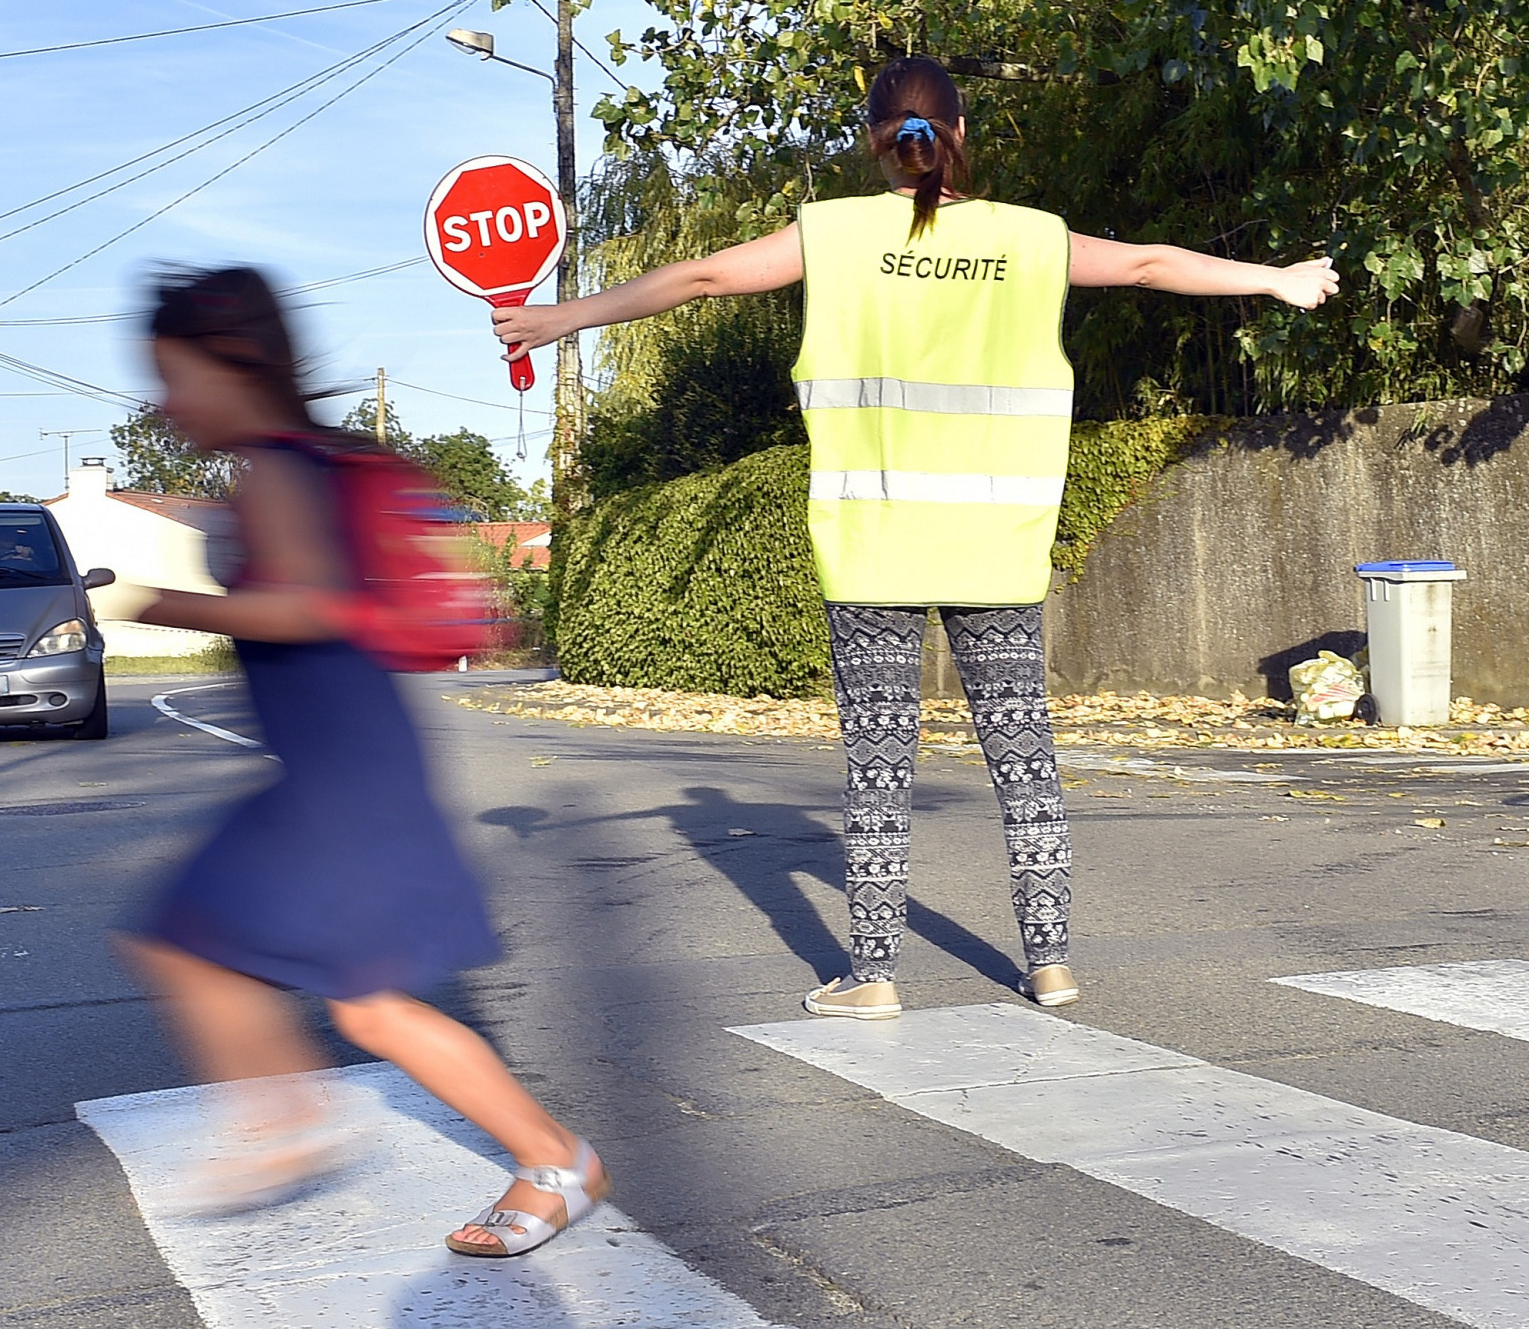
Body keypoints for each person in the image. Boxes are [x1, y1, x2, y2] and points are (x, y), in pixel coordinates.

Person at [494, 55, 1338, 1021]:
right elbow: (1149, 263)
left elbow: (703, 275)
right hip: (997, 543)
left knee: (880, 763)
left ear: (872, 141)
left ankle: (877, 973)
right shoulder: (1029, 238)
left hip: (874, 545)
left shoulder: (835, 233)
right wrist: (1274, 279)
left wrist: (561, 319)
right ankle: (1053, 963)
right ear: (961, 135)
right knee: (1024, 755)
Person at [97, 266, 609, 1256]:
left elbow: (311, 605)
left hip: (342, 780)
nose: (163, 402)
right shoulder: (294, 463)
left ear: (231, 365)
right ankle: (538, 1158)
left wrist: (150, 601)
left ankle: (307, 1123)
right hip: (338, 766)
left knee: (216, 948)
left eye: (172, 375)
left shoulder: (282, 468)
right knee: (335, 994)